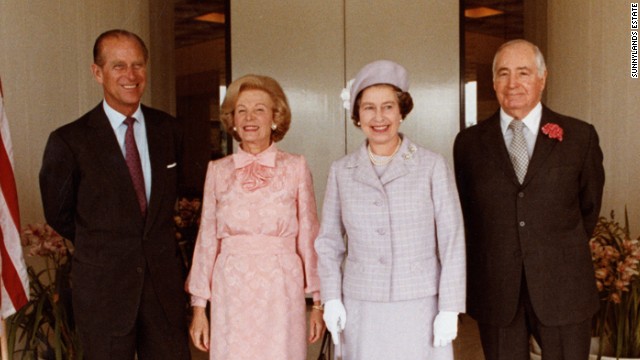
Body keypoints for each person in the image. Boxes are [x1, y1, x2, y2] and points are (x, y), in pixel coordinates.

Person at [39, 29, 190, 359]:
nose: (131, 75)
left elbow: (177, 196)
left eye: (138, 65)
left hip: (163, 292)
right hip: (103, 292)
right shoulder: (69, 141)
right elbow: (59, 214)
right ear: (97, 72)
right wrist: (105, 243)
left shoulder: (170, 130)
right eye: (119, 66)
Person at [453, 39, 605, 360]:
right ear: (493, 82)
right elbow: (468, 216)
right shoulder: (468, 144)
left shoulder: (580, 137)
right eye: (503, 73)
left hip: (564, 288)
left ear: (542, 78)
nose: (513, 84)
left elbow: (588, 209)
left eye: (523, 73)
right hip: (497, 291)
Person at [315, 60, 466, 359]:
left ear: (402, 112)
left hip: (420, 302)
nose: (379, 116)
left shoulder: (431, 165)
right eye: (369, 107)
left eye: (388, 106)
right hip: (362, 303)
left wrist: (450, 306)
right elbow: (329, 242)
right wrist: (331, 298)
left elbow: (452, 239)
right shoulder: (342, 171)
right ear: (357, 115)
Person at [185, 74, 325, 359]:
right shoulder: (217, 170)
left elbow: (310, 236)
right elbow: (207, 239)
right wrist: (199, 307)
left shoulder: (296, 167)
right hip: (231, 287)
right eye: (241, 110)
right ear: (232, 120)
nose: (250, 117)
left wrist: (319, 303)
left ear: (275, 117)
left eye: (259, 109)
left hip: (281, 286)